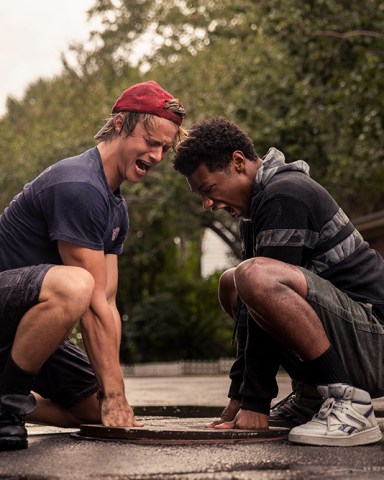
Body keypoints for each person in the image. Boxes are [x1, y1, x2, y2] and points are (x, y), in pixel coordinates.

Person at [173, 116, 384, 447]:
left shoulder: (285, 195)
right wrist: (240, 400)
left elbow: (264, 290)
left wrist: (256, 404)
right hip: (357, 341)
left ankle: (349, 404)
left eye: (209, 189)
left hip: (377, 345)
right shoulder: (255, 213)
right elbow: (254, 311)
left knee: (252, 275)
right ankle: (312, 399)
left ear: (238, 163)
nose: (208, 204)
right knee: (234, 282)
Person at [0, 80, 185, 450]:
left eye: (165, 147)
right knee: (77, 286)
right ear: (119, 125)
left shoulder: (115, 206)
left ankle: (7, 392)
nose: (159, 156)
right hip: (7, 308)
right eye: (151, 142)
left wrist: (114, 395)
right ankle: (6, 407)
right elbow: (90, 304)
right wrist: (115, 393)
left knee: (93, 411)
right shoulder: (78, 184)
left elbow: (109, 304)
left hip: (29, 329)